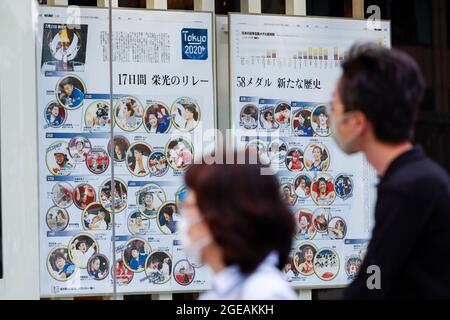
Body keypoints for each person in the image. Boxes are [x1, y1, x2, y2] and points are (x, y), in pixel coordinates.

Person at [330, 44, 450, 299]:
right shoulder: (416, 178)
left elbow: (369, 287)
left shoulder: (408, 188)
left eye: (334, 107)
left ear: (358, 122)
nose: (330, 117)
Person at [180, 149, 297, 300]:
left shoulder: (263, 293)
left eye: (189, 207)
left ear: (223, 216)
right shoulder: (223, 292)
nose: (185, 220)